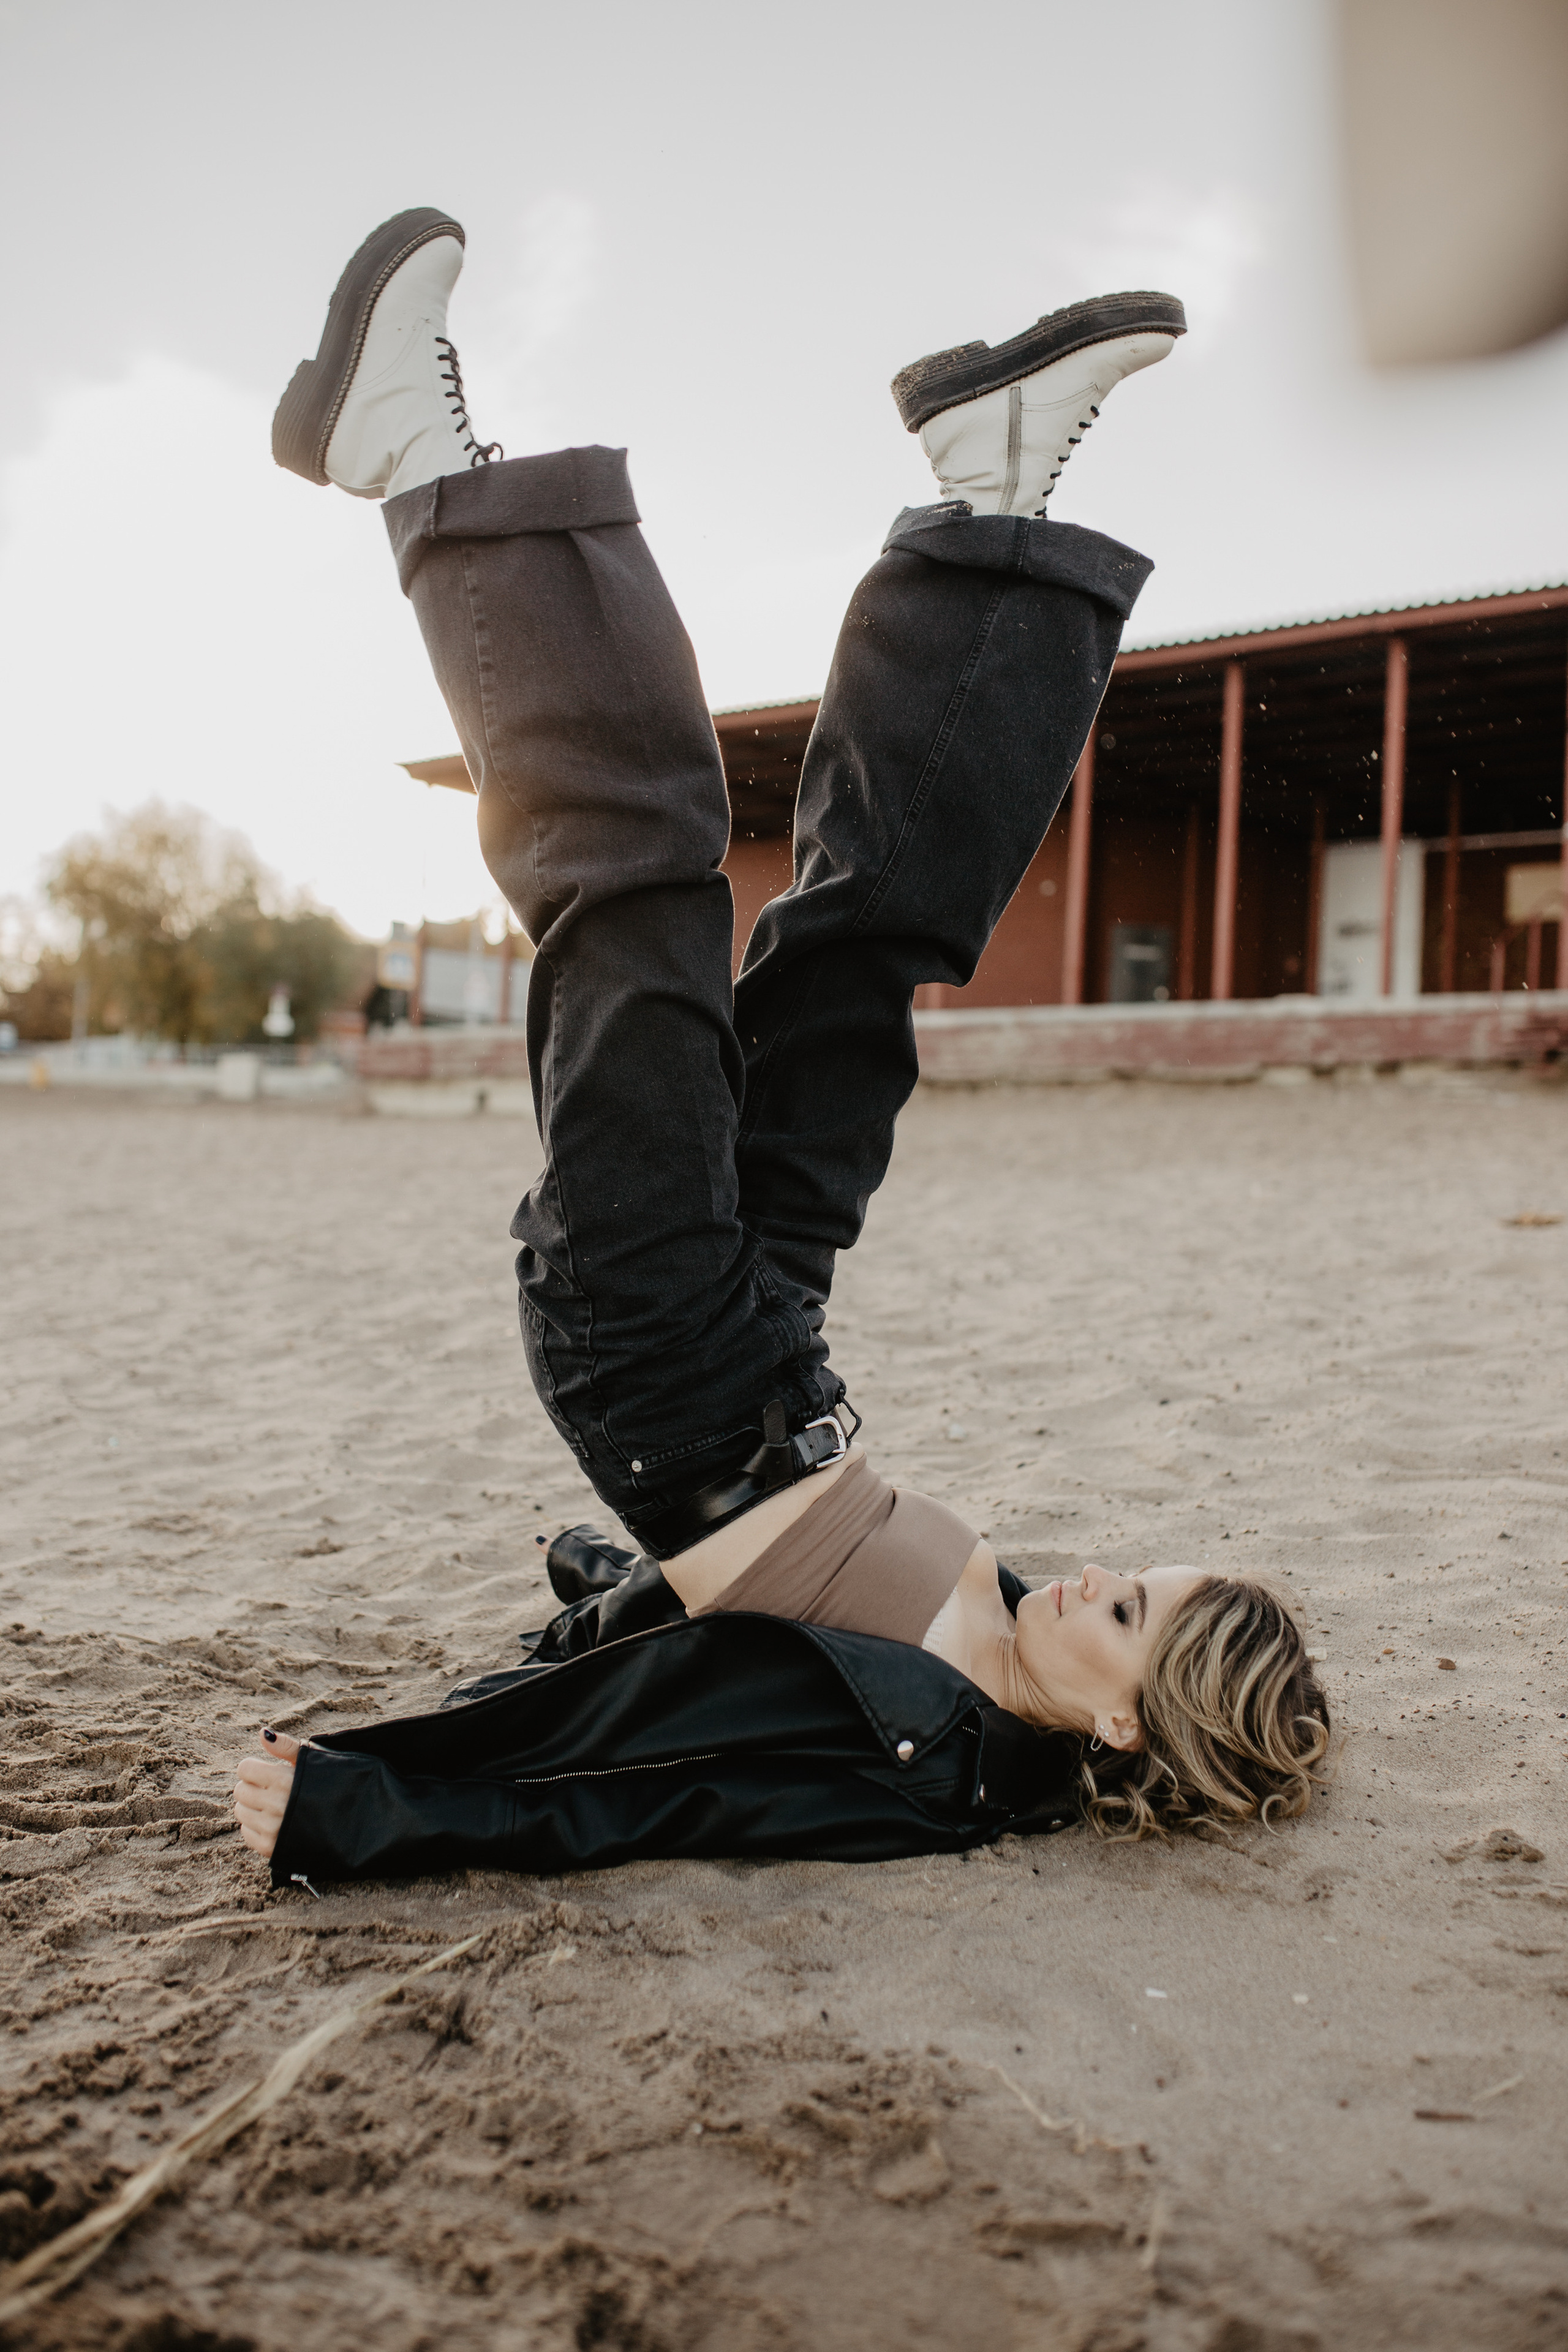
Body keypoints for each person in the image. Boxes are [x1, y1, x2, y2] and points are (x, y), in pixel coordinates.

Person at [235, 209, 1329, 1885]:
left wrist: (369, 1805)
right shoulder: (1005, 1650)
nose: (1104, 1573)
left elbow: (670, 1783)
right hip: (776, 1326)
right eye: (1147, 1574)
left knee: (644, 877)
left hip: (660, 1338)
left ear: (1122, 1732)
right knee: (867, 946)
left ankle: (412, 460)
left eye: (1133, 1619)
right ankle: (990, 508)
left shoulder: (930, 1761)